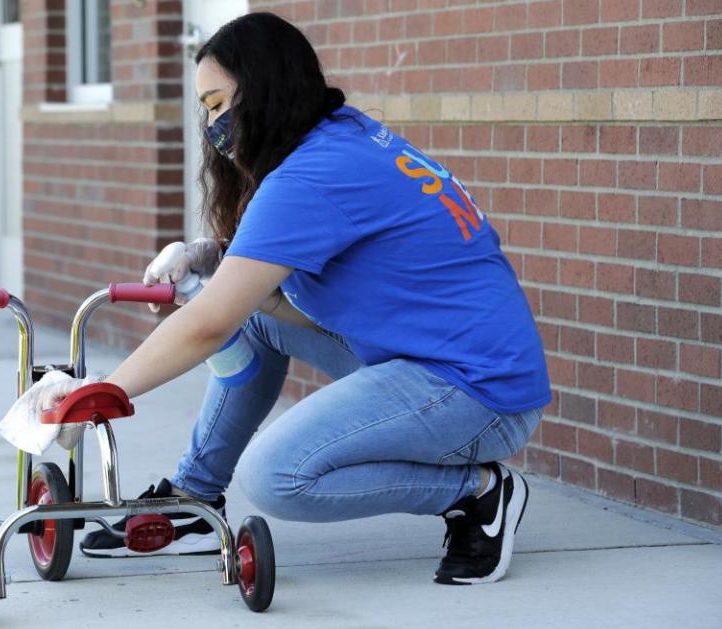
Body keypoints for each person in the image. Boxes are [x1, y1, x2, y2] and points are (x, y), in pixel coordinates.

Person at [50, 12, 551, 585]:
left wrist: (102, 393)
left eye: (218, 104)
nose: (213, 124)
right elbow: (287, 252)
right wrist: (210, 254)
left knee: (278, 477)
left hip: (476, 392)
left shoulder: (312, 176)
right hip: (439, 357)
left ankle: (480, 493)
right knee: (254, 323)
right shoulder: (342, 135)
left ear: (263, 89)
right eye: (205, 109)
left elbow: (207, 325)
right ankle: (195, 497)